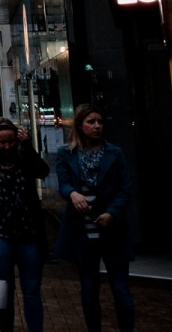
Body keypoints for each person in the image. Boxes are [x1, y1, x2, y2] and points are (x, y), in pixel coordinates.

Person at [56, 103, 135, 332]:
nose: (97, 126)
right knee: (89, 290)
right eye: (91, 122)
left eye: (100, 122)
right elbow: (64, 184)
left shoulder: (114, 152)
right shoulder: (66, 153)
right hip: (83, 230)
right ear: (80, 126)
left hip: (112, 228)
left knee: (121, 288)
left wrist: (112, 212)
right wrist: (72, 193)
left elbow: (125, 188)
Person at [0, 117, 50, 332]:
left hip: (29, 234)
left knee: (32, 290)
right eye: (2, 142)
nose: (7, 146)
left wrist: (27, 145)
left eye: (11, 142)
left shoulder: (25, 159)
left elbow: (43, 171)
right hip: (0, 235)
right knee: (3, 291)